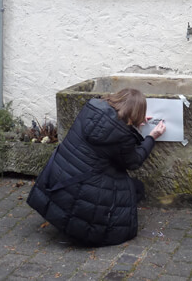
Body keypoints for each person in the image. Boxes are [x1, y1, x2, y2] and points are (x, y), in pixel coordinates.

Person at [27, 88, 166, 246]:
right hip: (81, 189)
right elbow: (134, 162)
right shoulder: (122, 135)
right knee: (135, 189)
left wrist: (132, 120)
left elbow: (111, 125)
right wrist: (151, 137)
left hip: (58, 179)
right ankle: (81, 222)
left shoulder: (91, 107)